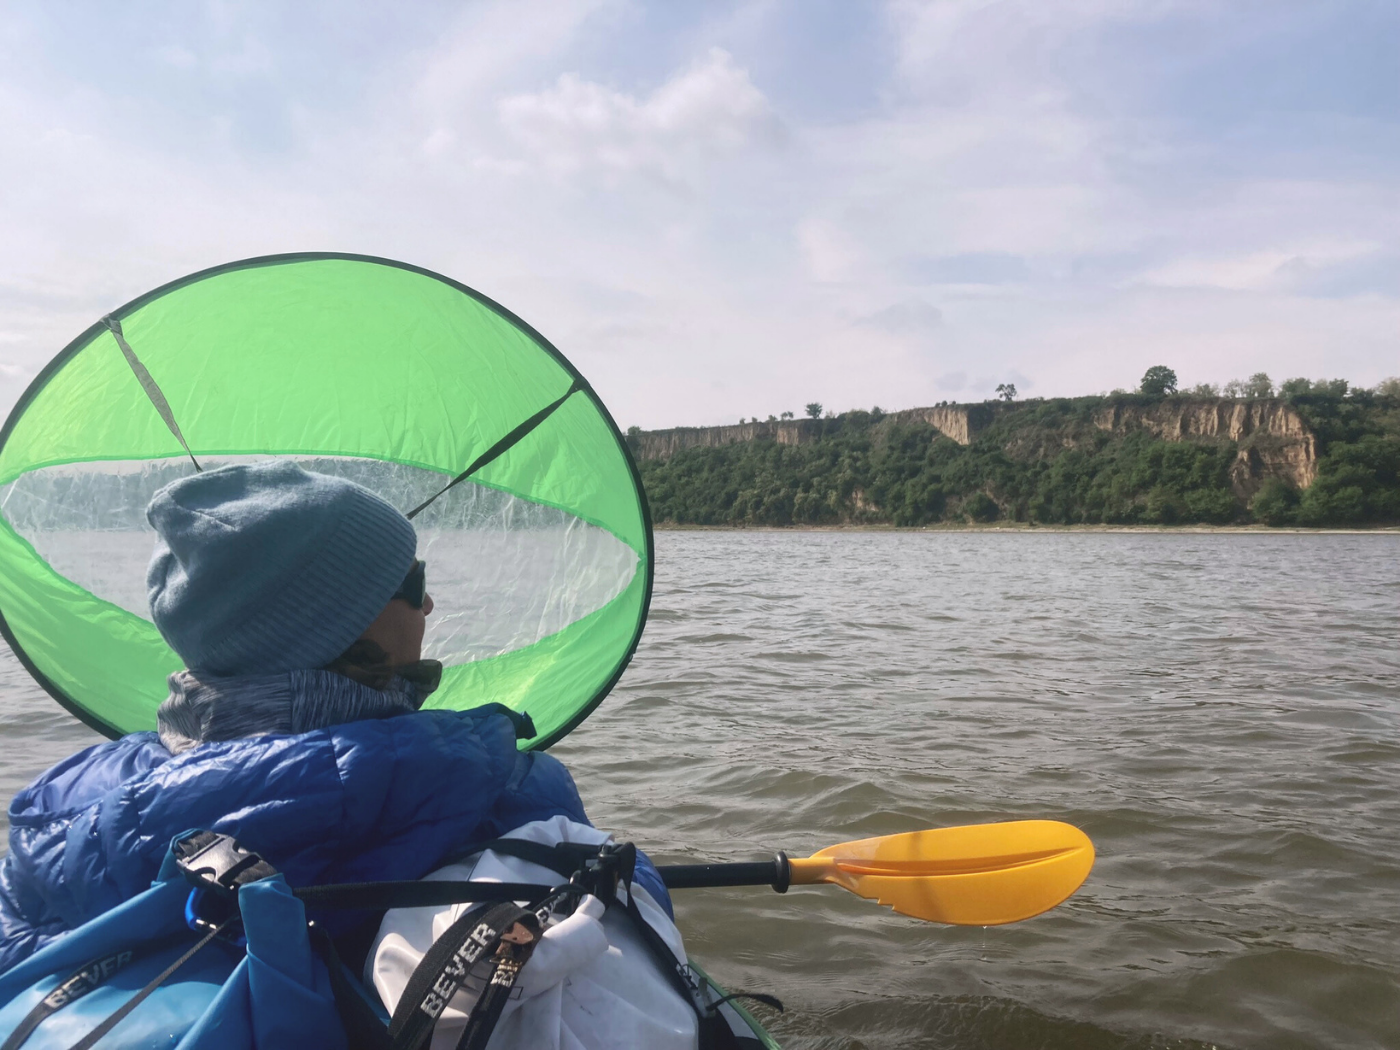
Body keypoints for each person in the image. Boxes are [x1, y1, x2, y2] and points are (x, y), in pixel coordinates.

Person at [0, 460, 676, 993]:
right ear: (334, 624)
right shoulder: (494, 786)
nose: (430, 603)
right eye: (411, 583)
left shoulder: (56, 805)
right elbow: (635, 913)